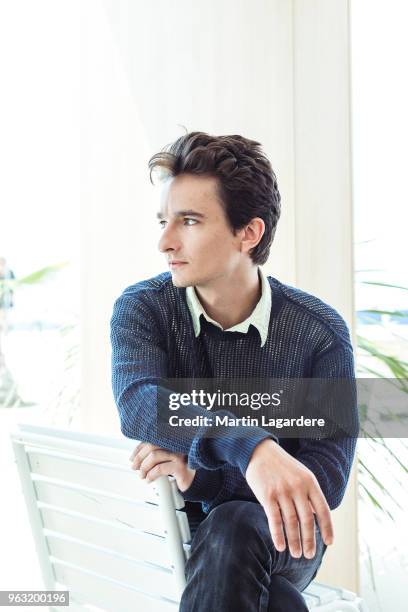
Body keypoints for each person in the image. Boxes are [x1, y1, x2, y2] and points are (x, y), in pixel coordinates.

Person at [110, 132, 358, 611]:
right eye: (164, 221)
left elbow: (324, 480)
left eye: (189, 221)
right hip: (173, 536)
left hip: (284, 537)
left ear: (249, 233)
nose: (165, 242)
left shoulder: (318, 333)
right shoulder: (144, 309)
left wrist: (204, 478)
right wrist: (252, 448)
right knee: (278, 602)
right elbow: (140, 401)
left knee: (236, 523)